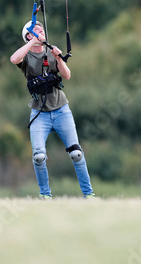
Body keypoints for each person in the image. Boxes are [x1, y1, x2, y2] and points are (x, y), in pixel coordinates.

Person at [10, 21, 95, 199]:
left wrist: (58, 58)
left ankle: (89, 194)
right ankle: (45, 196)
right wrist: (32, 43)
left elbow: (67, 75)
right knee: (39, 157)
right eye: (36, 30)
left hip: (61, 110)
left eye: (42, 29)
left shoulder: (51, 51)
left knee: (76, 153)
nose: (41, 32)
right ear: (28, 36)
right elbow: (14, 59)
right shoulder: (26, 56)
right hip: (39, 114)